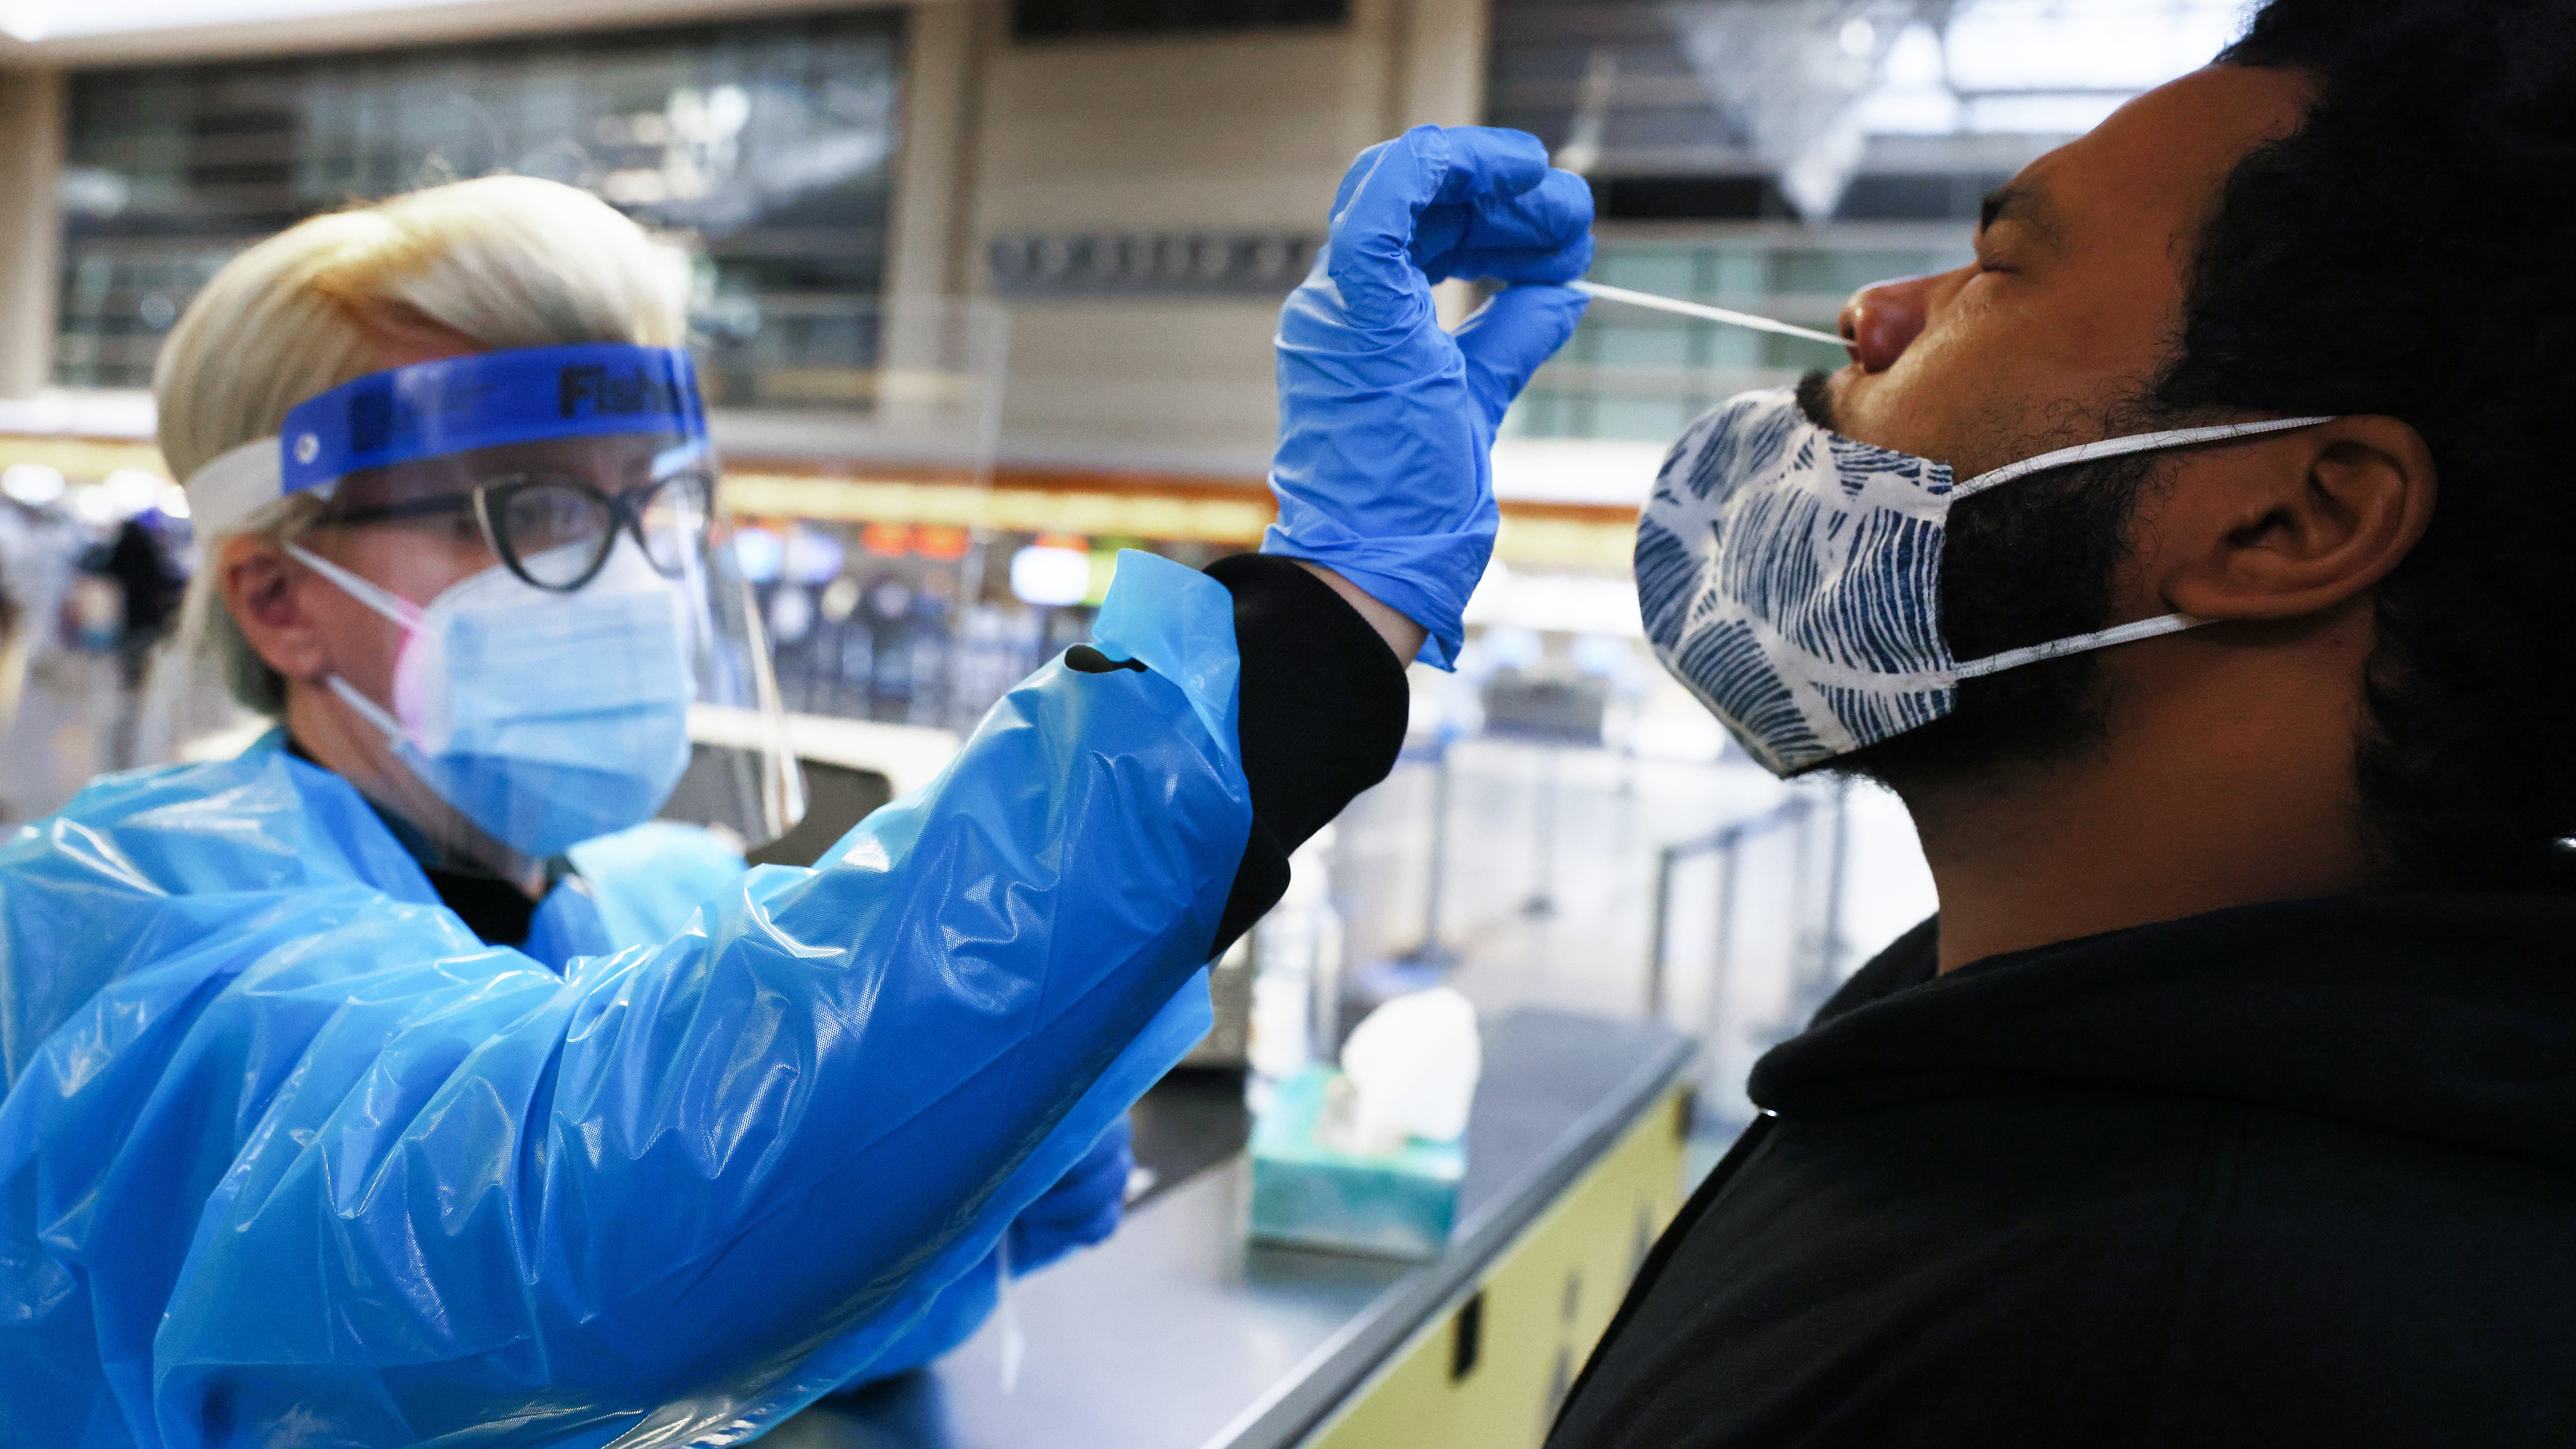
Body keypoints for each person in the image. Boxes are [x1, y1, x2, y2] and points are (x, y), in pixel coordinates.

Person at [0, 134, 1592, 1447]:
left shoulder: (646, 898)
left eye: (657, 507)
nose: (629, 577)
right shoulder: (133, 936)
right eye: (539, 511)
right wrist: (1326, 611)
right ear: (278, 601)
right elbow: (591, 1216)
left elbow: (923, 1204)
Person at [1543, 1, 2576, 1444]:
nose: (1875, 314)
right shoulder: (2019, 1059)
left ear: (2291, 518)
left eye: (1999, 274)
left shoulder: (2170, 1342)